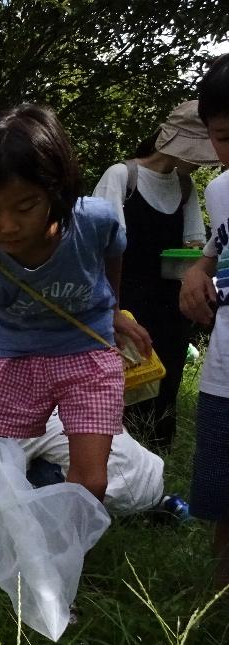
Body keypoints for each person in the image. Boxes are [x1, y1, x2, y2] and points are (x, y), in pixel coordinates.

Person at [0, 104, 151, 615]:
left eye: (24, 206)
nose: (7, 225)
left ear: (56, 192)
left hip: (86, 353)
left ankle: (53, 583)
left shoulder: (94, 221)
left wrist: (112, 311)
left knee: (91, 480)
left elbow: (112, 256)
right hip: (14, 361)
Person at [93, 101, 219, 451]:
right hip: (124, 307)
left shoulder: (186, 187)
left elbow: (196, 246)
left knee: (164, 394)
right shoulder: (122, 176)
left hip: (171, 309)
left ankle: (154, 484)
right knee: (119, 396)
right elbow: (99, 249)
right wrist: (111, 312)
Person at [178, 53, 229, 587]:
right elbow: (217, 250)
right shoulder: (219, 190)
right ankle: (216, 609)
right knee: (221, 504)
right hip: (222, 376)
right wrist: (199, 269)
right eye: (223, 137)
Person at [21, 410, 186, 519]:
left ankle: (66, 530)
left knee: (22, 469)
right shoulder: (78, 394)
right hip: (151, 479)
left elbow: (4, 471)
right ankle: (163, 505)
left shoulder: (24, 420)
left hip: (109, 499)